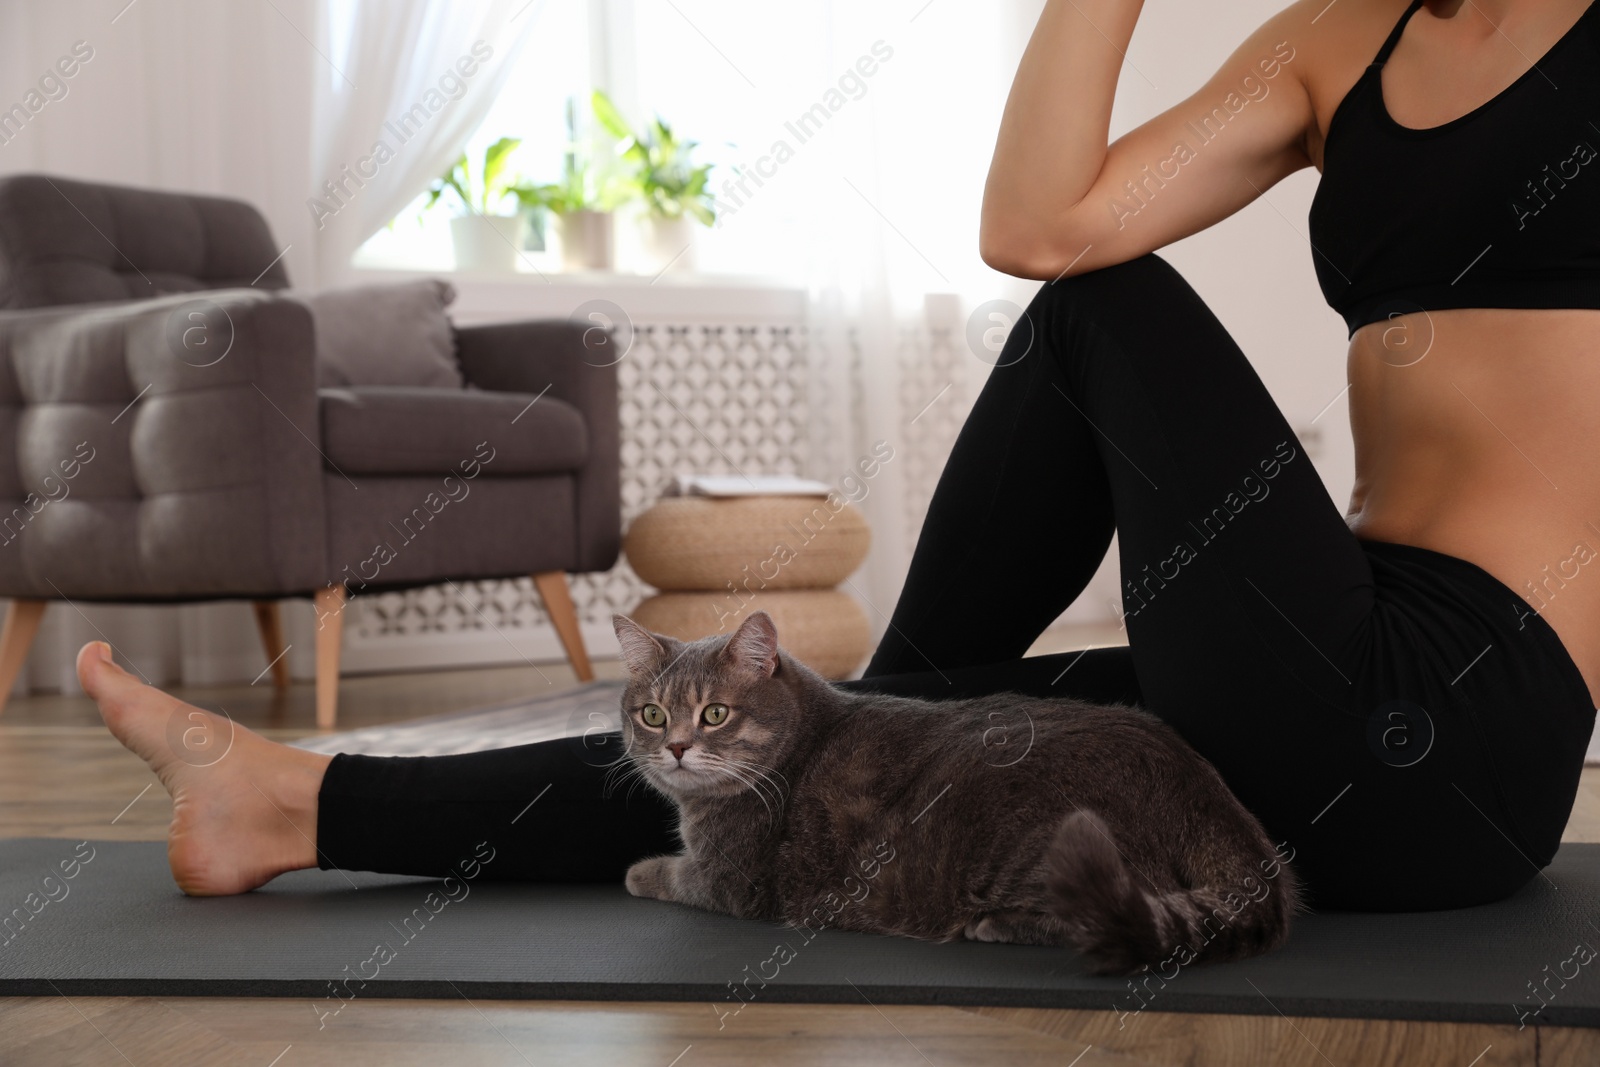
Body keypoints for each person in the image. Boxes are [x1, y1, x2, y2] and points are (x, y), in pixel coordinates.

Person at [82, 0, 1598, 911]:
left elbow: (1084, 285)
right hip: (1318, 664)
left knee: (1104, 327)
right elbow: (1038, 228)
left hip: (1459, 728)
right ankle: (289, 808)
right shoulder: (1343, 38)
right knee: (806, 742)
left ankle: (885, 706)